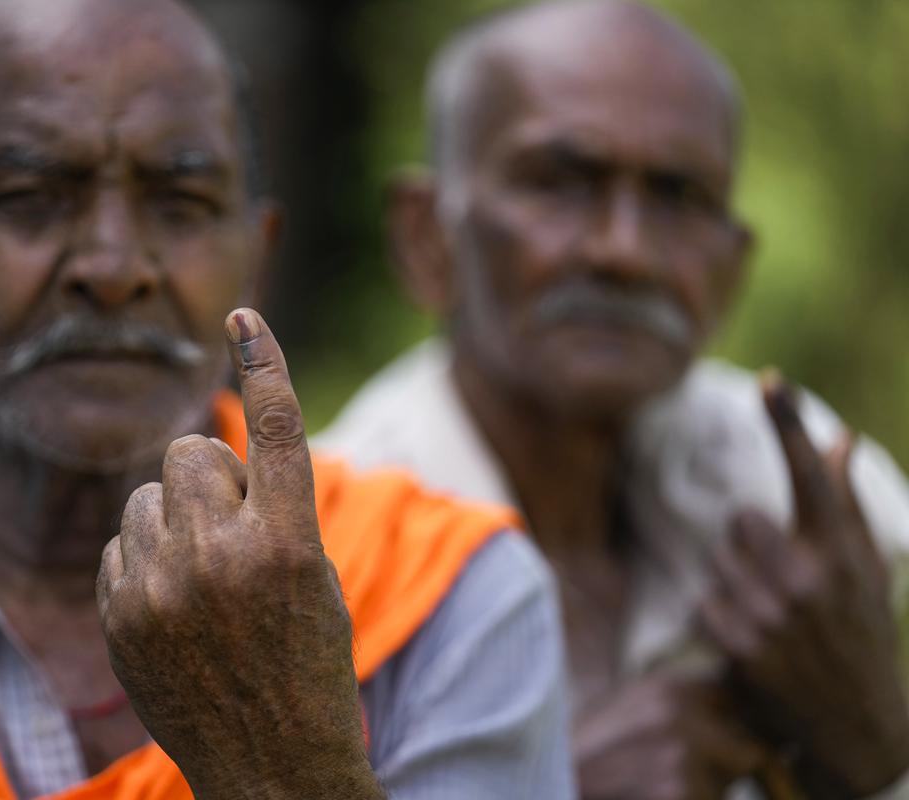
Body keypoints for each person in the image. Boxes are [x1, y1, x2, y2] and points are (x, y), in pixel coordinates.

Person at [0, 0, 576, 798]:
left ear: (254, 261)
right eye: (29, 198)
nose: (115, 269)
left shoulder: (452, 601)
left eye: (181, 203)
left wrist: (281, 758)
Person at [316, 1, 909, 798]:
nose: (623, 251)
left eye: (676, 196)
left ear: (731, 268)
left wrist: (871, 740)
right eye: (560, 183)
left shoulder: (785, 485)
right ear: (427, 238)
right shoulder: (321, 555)